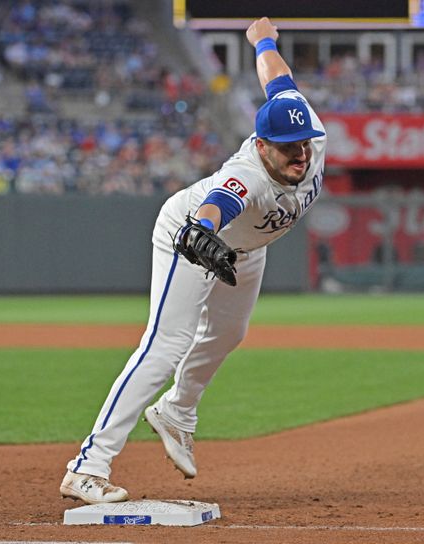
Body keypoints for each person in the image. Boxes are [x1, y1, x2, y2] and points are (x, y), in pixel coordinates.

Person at [60, 17, 327, 503]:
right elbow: (218, 205)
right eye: (289, 148)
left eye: (305, 144)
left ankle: (177, 412)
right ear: (262, 145)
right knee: (166, 345)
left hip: (246, 249)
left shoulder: (305, 129)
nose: (302, 155)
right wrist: (202, 231)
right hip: (191, 234)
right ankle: (88, 467)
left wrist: (262, 40)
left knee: (229, 332)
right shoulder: (248, 175)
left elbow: (278, 79)